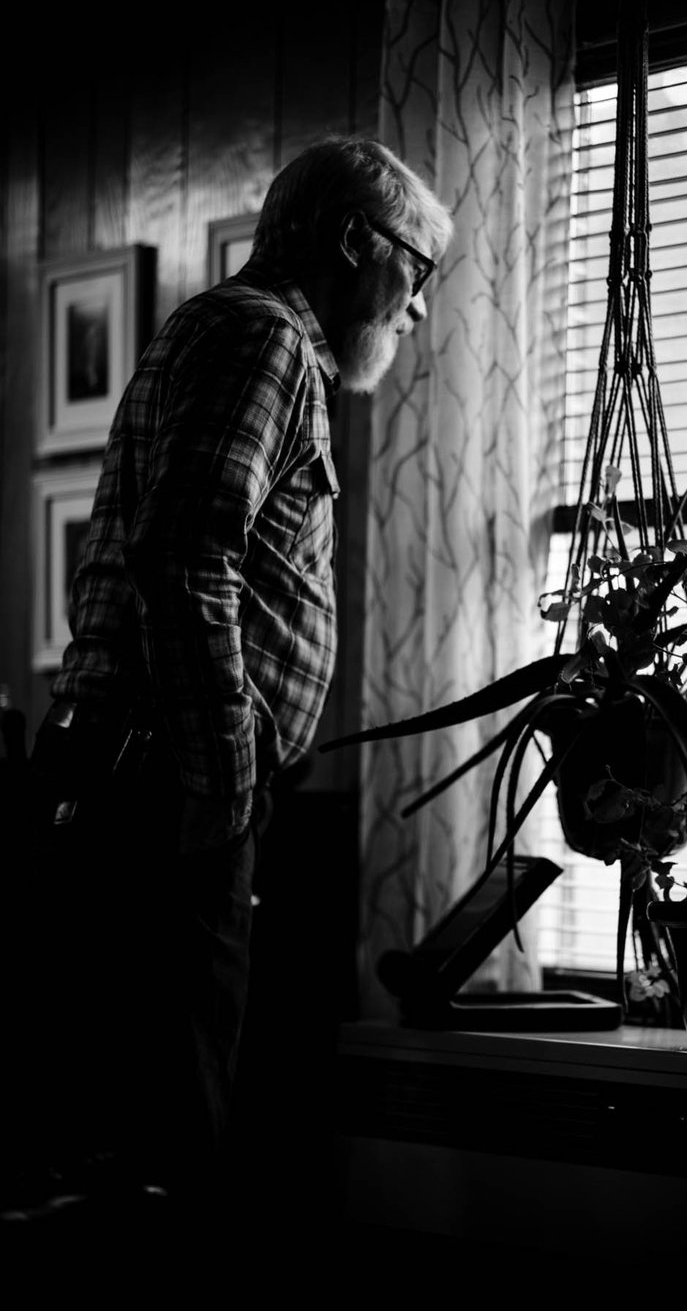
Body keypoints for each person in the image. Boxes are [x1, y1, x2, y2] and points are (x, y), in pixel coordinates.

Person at [2, 135, 453, 1228]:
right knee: (167, 1153)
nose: (418, 310)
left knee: (135, 1138)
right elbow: (186, 551)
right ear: (354, 241)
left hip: (150, 777)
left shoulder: (231, 334)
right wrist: (224, 774)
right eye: (417, 273)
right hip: (169, 786)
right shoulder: (262, 339)